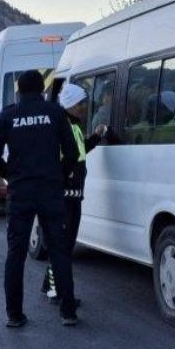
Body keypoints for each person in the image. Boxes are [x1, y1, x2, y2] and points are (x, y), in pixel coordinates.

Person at [0, 70, 80, 327]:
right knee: (59, 251)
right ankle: (67, 311)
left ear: (19, 90)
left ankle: (14, 315)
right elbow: (72, 153)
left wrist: (12, 176)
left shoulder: (9, 115)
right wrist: (59, 176)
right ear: (41, 89)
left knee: (16, 253)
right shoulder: (55, 113)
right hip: (50, 191)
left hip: (20, 192)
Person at [42, 83, 116, 302]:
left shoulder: (72, 125)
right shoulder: (63, 125)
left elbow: (80, 150)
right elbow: (62, 159)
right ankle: (58, 292)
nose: (85, 107)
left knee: (63, 244)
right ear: (71, 104)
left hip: (73, 195)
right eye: (81, 103)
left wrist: (96, 136)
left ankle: (49, 284)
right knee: (63, 246)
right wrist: (66, 182)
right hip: (65, 196)